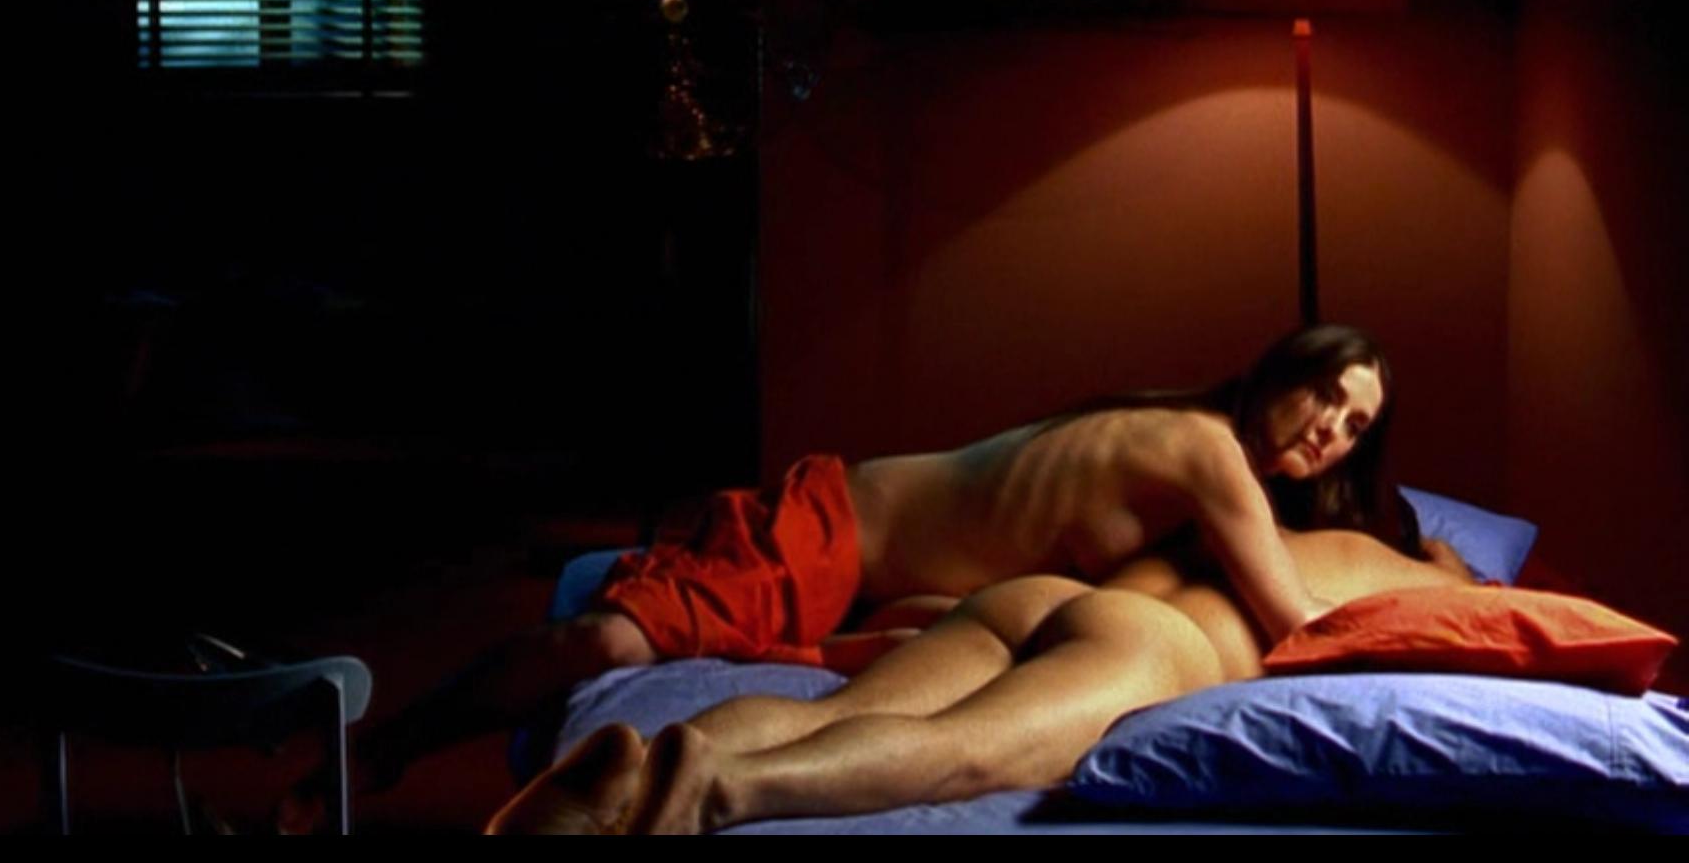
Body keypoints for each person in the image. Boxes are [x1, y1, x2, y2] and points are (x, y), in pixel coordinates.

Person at [287, 323, 1423, 825]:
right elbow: (1291, 615)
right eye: (1325, 394)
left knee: (888, 663)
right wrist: (1439, 599)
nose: (1329, 429)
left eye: (1355, 426)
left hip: (873, 579)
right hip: (831, 530)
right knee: (605, 642)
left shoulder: (1195, 465)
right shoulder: (1207, 451)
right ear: (1277, 374)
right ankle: (378, 752)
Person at [486, 525, 1476, 834]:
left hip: (1037, 600)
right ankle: (712, 791)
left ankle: (637, 769)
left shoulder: (1254, 523)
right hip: (1154, 645)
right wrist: (1454, 569)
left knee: (842, 711)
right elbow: (1477, 619)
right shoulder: (1407, 568)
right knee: (957, 754)